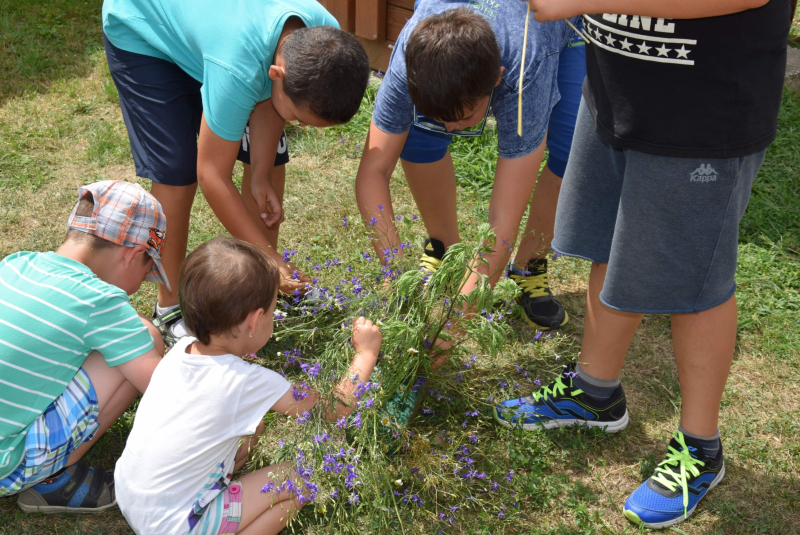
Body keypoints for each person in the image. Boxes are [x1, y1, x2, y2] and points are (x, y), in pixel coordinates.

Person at [495, 0, 790, 529]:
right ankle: (595, 392)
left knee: (696, 279)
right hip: (614, 89)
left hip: (704, 112)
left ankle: (701, 448)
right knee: (611, 241)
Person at [102, 0, 371, 347]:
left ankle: (260, 293)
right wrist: (269, 256)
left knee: (270, 160)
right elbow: (212, 173)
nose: (299, 125)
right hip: (144, 29)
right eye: (300, 118)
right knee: (177, 175)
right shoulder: (237, 66)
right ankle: (169, 307)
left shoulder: (323, 34)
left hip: (221, 37)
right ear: (278, 73)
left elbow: (271, 100)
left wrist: (259, 173)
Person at [114, 237, 382, 535]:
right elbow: (334, 409)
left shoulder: (181, 349)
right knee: (301, 477)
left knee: (253, 431)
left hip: (131, 497)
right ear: (255, 321)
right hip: (175, 526)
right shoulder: (248, 382)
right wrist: (365, 353)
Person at [355, 2, 586, 332]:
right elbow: (372, 171)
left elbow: (504, 220)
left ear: (497, 78)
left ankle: (529, 266)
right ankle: (448, 253)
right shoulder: (410, 56)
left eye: (462, 118)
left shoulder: (526, 68)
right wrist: (395, 274)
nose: (451, 128)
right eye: (443, 119)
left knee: (569, 149)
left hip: (557, 21)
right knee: (419, 138)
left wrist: (457, 323)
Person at [0, 180, 167, 513]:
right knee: (146, 337)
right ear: (133, 255)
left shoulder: (15, 264)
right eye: (148, 271)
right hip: (8, 465)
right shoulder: (100, 301)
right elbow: (168, 392)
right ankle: (56, 479)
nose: (140, 286)